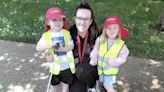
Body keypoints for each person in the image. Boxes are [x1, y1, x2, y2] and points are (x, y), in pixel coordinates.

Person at [36, 7, 75, 92]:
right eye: (54, 20)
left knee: (65, 86)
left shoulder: (66, 33)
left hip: (66, 66)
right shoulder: (46, 35)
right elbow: (38, 47)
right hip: (55, 67)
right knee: (53, 86)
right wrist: (48, 47)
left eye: (60, 20)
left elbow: (71, 46)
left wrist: (60, 49)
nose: (58, 22)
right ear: (48, 22)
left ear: (63, 21)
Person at [89, 16, 129, 92]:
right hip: (101, 69)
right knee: (103, 82)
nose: (112, 31)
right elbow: (95, 50)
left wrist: (113, 61)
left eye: (115, 28)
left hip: (110, 70)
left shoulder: (121, 45)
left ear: (119, 30)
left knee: (107, 85)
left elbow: (123, 58)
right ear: (105, 30)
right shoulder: (100, 40)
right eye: (109, 28)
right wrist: (93, 58)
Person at [69, 2, 100, 92]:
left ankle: (92, 85)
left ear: (91, 21)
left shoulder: (97, 34)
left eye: (86, 19)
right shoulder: (68, 34)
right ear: (75, 19)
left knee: (82, 71)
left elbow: (112, 43)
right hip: (75, 71)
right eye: (80, 18)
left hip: (92, 69)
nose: (82, 22)